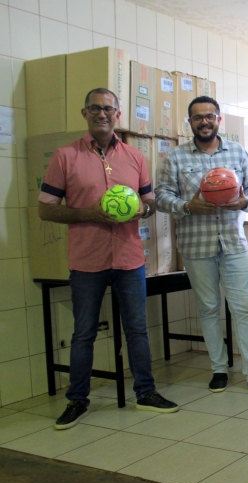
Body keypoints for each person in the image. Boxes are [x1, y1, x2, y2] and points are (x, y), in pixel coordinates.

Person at [39, 88, 179, 430]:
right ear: (84, 113)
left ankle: (146, 393)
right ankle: (77, 400)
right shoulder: (65, 156)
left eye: (108, 109)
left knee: (137, 330)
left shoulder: (134, 157)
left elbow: (150, 203)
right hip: (87, 260)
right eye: (95, 109)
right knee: (83, 332)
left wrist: (138, 209)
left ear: (118, 115)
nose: (102, 114)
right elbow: (46, 210)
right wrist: (91, 213)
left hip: (130, 258)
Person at [155, 96, 248, 394]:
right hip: (195, 244)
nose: (204, 121)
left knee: (243, 308)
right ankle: (218, 369)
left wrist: (245, 201)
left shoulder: (237, 152)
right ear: (189, 123)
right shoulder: (176, 158)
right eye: (198, 117)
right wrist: (188, 206)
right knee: (209, 307)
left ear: (218, 120)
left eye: (209, 116)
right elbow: (161, 197)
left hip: (233, 243)